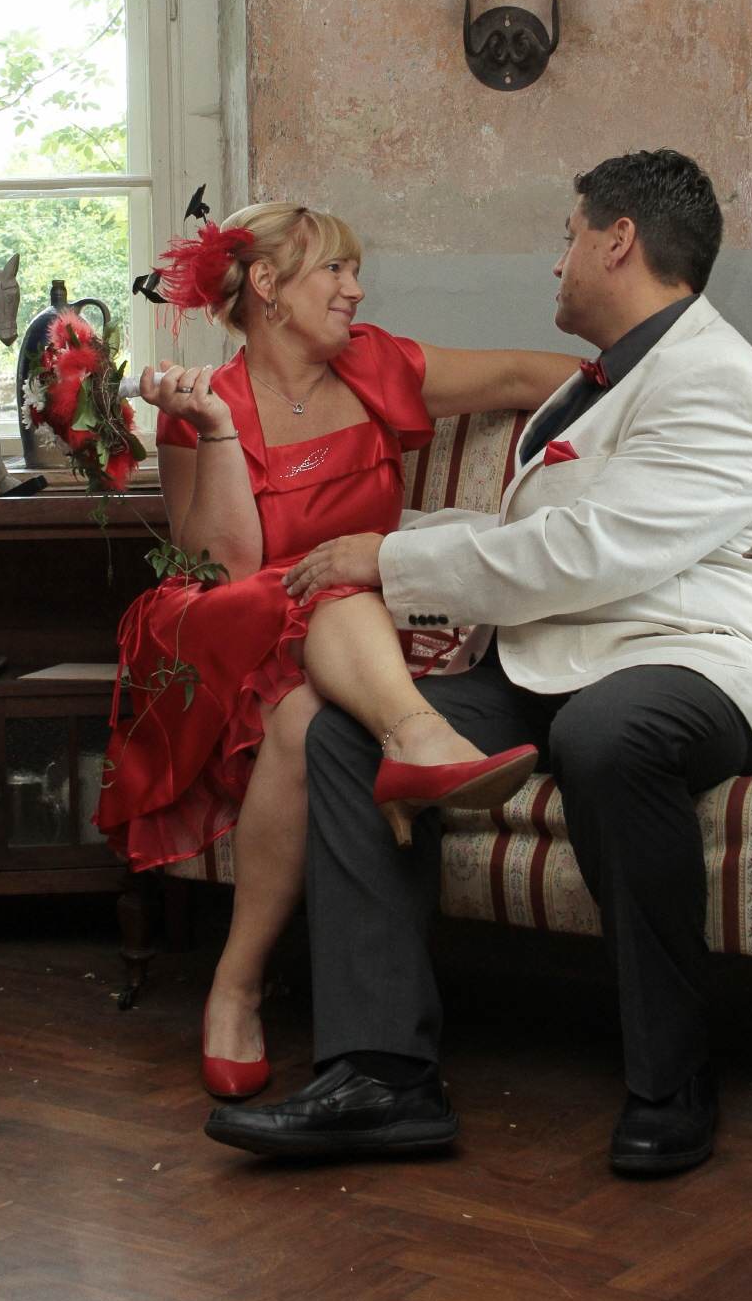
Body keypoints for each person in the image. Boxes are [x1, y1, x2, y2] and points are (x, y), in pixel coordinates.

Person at [205, 150, 752, 1175]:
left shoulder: (715, 379)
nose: (556, 262)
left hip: (702, 661)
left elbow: (589, 552)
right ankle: (382, 1076)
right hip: (565, 656)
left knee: (608, 733)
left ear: (617, 241)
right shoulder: (594, 384)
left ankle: (672, 1079)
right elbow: (549, 536)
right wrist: (418, 566)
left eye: (567, 237)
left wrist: (388, 560)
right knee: (344, 733)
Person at [95, 201, 578, 1099]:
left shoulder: (377, 363)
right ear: (268, 286)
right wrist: (218, 431)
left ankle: (235, 987)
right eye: (336, 271)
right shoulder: (203, 405)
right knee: (323, 603)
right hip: (234, 634)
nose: (356, 290)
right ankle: (416, 738)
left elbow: (521, 373)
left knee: (309, 715)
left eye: (356, 272)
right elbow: (225, 567)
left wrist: (637, 385)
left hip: (353, 636)